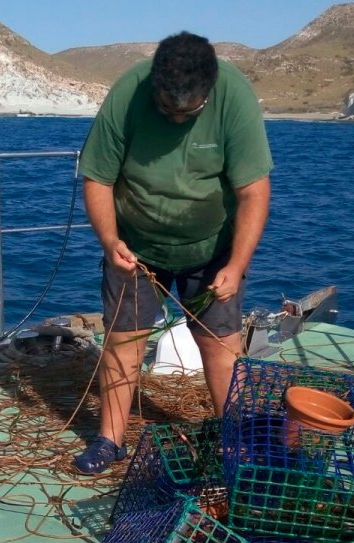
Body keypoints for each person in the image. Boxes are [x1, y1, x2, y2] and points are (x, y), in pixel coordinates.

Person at [74, 32, 273, 474]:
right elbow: (98, 178)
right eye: (168, 110)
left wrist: (236, 265)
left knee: (221, 344)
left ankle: (233, 442)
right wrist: (110, 242)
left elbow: (254, 192)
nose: (178, 118)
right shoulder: (128, 93)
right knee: (124, 339)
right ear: (155, 86)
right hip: (136, 246)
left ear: (209, 89)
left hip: (212, 248)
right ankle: (109, 440)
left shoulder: (235, 97)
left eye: (189, 111)